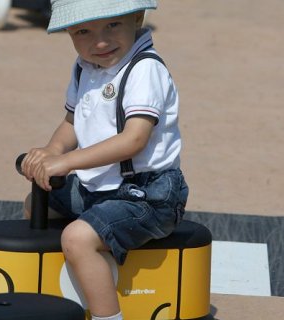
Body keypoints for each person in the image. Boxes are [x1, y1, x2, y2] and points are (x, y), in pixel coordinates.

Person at [20, 1, 188, 319]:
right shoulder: (85, 67)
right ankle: (55, 287)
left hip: (147, 196)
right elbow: (72, 121)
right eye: (83, 31)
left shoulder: (144, 69)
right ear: (69, 32)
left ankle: (106, 315)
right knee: (36, 203)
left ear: (137, 18)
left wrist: (67, 162)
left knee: (77, 238)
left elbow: (134, 139)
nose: (99, 41)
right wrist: (53, 150)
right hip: (97, 185)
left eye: (112, 25)